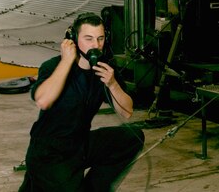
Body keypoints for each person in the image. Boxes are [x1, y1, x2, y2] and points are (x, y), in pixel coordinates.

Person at [19, 12, 144, 191]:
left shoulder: (104, 69)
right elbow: (43, 101)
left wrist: (112, 83)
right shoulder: (53, 66)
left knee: (132, 138)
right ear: (74, 40)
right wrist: (67, 61)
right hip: (49, 153)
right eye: (88, 39)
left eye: (100, 39)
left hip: (80, 144)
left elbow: (127, 112)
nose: (96, 45)